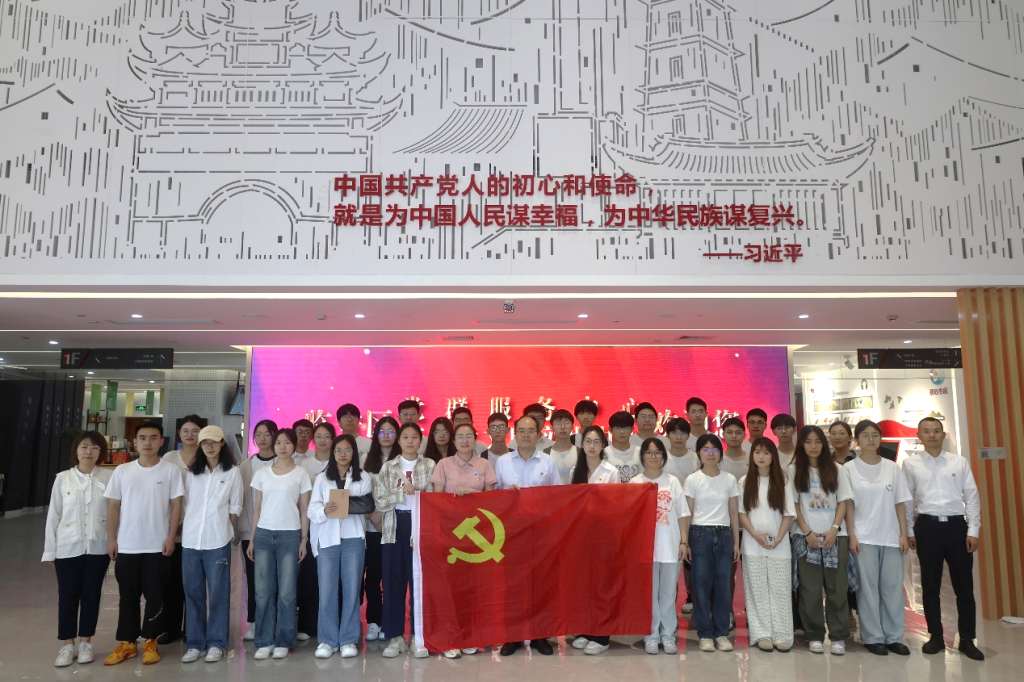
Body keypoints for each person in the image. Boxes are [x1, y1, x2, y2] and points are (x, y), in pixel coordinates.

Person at [103, 422, 184, 666]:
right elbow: (113, 506)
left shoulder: (171, 471)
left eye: (153, 438)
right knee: (127, 595)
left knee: (156, 596)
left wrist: (171, 537)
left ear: (161, 442)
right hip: (127, 545)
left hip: (158, 546)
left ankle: (150, 640)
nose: (147, 442)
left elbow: (176, 505)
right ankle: (127, 642)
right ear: (135, 442)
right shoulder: (122, 471)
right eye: (142, 438)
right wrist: (112, 539)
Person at [903, 417, 984, 660]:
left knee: (964, 587)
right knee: (930, 585)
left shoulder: (959, 462)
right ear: (919, 435)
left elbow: (971, 497)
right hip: (927, 527)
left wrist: (973, 530)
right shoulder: (911, 464)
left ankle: (967, 639)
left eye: (936, 431)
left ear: (943, 434)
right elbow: (907, 500)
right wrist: (909, 531)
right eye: (927, 431)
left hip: (957, 527)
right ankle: (935, 636)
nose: (932, 435)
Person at [43, 431, 113, 668]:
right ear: (76, 450)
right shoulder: (63, 479)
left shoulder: (109, 477)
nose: (89, 452)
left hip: (98, 547)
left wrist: (115, 542)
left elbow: (116, 513)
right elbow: (54, 515)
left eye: (94, 448)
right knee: (68, 596)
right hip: (67, 547)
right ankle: (67, 644)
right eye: (84, 447)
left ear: (101, 452)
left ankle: (86, 642)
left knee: (92, 595)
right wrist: (50, 550)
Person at [843, 419, 912, 656]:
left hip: (890, 536)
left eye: (875, 435)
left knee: (892, 588)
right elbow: (848, 506)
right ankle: (873, 637)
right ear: (857, 440)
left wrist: (903, 534)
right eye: (865, 435)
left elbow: (900, 502)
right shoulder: (849, 469)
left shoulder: (892, 468)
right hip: (863, 537)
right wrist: (852, 534)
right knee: (867, 589)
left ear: (880, 439)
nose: (870, 439)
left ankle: (894, 637)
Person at [496, 415, 562, 656]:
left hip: (541, 532)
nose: (526, 435)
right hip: (511, 532)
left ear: (538, 435)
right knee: (513, 585)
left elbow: (558, 497)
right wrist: (507, 494)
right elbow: (493, 497)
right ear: (515, 434)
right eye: (521, 431)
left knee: (540, 583)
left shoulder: (549, 462)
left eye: (530, 431)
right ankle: (513, 636)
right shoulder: (503, 462)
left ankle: (540, 635)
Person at [431, 422, 497, 658]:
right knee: (451, 587)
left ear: (475, 440)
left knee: (473, 588)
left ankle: (469, 636)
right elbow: (436, 502)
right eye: (460, 436)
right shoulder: (443, 464)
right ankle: (451, 638)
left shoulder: (484, 465)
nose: (465, 440)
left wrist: (473, 495)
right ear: (454, 440)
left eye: (469, 436)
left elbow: (493, 500)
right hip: (451, 534)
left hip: (479, 536)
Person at [246, 428, 313, 660]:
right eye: (278, 443)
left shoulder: (301, 474)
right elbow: (257, 508)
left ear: (294, 446)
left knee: (287, 593)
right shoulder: (262, 473)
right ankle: (265, 640)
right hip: (264, 535)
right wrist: (252, 539)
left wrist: (304, 540)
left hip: (290, 536)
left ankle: (284, 640)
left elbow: (304, 510)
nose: (282, 447)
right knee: (263, 592)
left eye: (287, 443)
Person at [180, 426, 242, 664]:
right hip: (191, 540)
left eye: (214, 442)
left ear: (222, 443)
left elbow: (235, 506)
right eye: (205, 442)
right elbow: (186, 503)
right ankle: (195, 644)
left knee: (218, 593)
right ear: (200, 445)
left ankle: (217, 643)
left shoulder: (232, 472)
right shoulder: (192, 472)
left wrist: (225, 524)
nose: (209, 446)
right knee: (193, 592)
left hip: (217, 539)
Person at [308, 435, 373, 660]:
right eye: (338, 450)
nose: (342, 454)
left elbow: (367, 506)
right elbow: (312, 510)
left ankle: (348, 639)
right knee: (326, 590)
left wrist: (348, 505)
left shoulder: (363, 477)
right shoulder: (322, 478)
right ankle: (327, 640)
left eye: (347, 450)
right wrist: (324, 510)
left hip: (353, 538)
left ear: (354, 453)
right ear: (333, 453)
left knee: (352, 590)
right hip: (327, 538)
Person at [790, 424, 852, 656]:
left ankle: (838, 636)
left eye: (818, 441)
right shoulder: (794, 470)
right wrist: (806, 532)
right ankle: (814, 634)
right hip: (806, 537)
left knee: (837, 589)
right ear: (802, 445)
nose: (813, 446)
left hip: (835, 536)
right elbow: (794, 504)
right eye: (808, 441)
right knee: (810, 589)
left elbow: (843, 501)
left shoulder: (836, 469)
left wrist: (835, 529)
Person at [375, 423, 435, 659]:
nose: (410, 441)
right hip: (394, 527)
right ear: (399, 441)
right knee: (393, 582)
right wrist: (402, 493)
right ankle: (395, 637)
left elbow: (435, 496)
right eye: (405, 437)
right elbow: (380, 501)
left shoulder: (429, 465)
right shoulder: (388, 467)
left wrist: (417, 493)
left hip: (420, 526)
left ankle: (418, 637)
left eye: (414, 437)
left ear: (420, 441)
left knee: (419, 582)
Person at [632, 438, 690, 655]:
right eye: (649, 452)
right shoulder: (635, 483)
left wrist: (683, 541)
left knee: (667, 593)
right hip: (645, 548)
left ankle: (668, 635)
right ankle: (651, 635)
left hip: (670, 545)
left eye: (657, 453)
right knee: (649, 594)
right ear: (642, 456)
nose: (653, 457)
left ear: (663, 457)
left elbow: (683, 514)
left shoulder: (672, 482)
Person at [738, 438, 796, 652]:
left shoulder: (783, 482)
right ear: (752, 455)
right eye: (757, 452)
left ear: (773, 456)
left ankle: (782, 634)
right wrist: (754, 534)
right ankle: (761, 633)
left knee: (780, 592)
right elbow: (742, 513)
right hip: (752, 546)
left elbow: (789, 513)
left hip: (780, 547)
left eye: (766, 453)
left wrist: (779, 537)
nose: (761, 457)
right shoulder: (745, 482)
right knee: (757, 591)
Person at [684, 434, 739, 652]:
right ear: (699, 453)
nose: (710, 453)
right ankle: (705, 633)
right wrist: (685, 541)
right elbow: (687, 512)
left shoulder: (729, 479)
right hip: (699, 534)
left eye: (715, 449)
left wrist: (736, 542)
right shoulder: (693, 479)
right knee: (701, 585)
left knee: (723, 585)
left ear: (720, 453)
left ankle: (721, 633)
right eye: (705, 449)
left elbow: (733, 512)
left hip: (724, 533)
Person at [159, 415, 207, 646]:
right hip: (173, 529)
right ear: (179, 433)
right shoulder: (169, 458)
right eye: (185, 430)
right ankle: (171, 627)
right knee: (172, 582)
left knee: (195, 582)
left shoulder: (207, 456)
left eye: (195, 430)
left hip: (198, 528)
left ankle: (193, 628)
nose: (190, 435)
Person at [360, 416, 399, 643]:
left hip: (394, 527)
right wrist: (373, 518)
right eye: (382, 431)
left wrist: (381, 516)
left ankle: (390, 622)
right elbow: (359, 492)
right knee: (373, 577)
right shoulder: (365, 460)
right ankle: (374, 621)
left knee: (392, 578)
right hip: (370, 529)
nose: (386, 435)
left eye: (390, 431)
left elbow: (401, 493)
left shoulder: (403, 460)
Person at [238, 419, 277, 641]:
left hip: (279, 529)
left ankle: (275, 618)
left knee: (277, 577)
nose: (262, 439)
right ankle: (254, 620)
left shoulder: (283, 462)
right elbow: (242, 499)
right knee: (254, 577)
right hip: (251, 532)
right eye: (258, 434)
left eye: (267, 434)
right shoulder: (246, 465)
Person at [662, 417, 699, 616]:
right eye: (674, 433)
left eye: (683, 433)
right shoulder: (662, 459)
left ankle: (692, 599)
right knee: (668, 564)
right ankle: (669, 611)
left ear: (688, 436)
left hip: (692, 516)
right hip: (667, 519)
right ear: (667, 435)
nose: (678, 437)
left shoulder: (695, 458)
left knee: (691, 561)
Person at [604, 411, 642, 483]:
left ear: (632, 429)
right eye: (618, 428)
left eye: (626, 428)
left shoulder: (640, 452)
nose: (622, 432)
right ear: (610, 430)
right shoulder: (604, 454)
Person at [545, 409, 580, 484]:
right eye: (558, 423)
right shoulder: (545, 453)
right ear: (552, 428)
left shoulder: (580, 453)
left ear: (572, 427)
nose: (563, 427)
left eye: (567, 423)